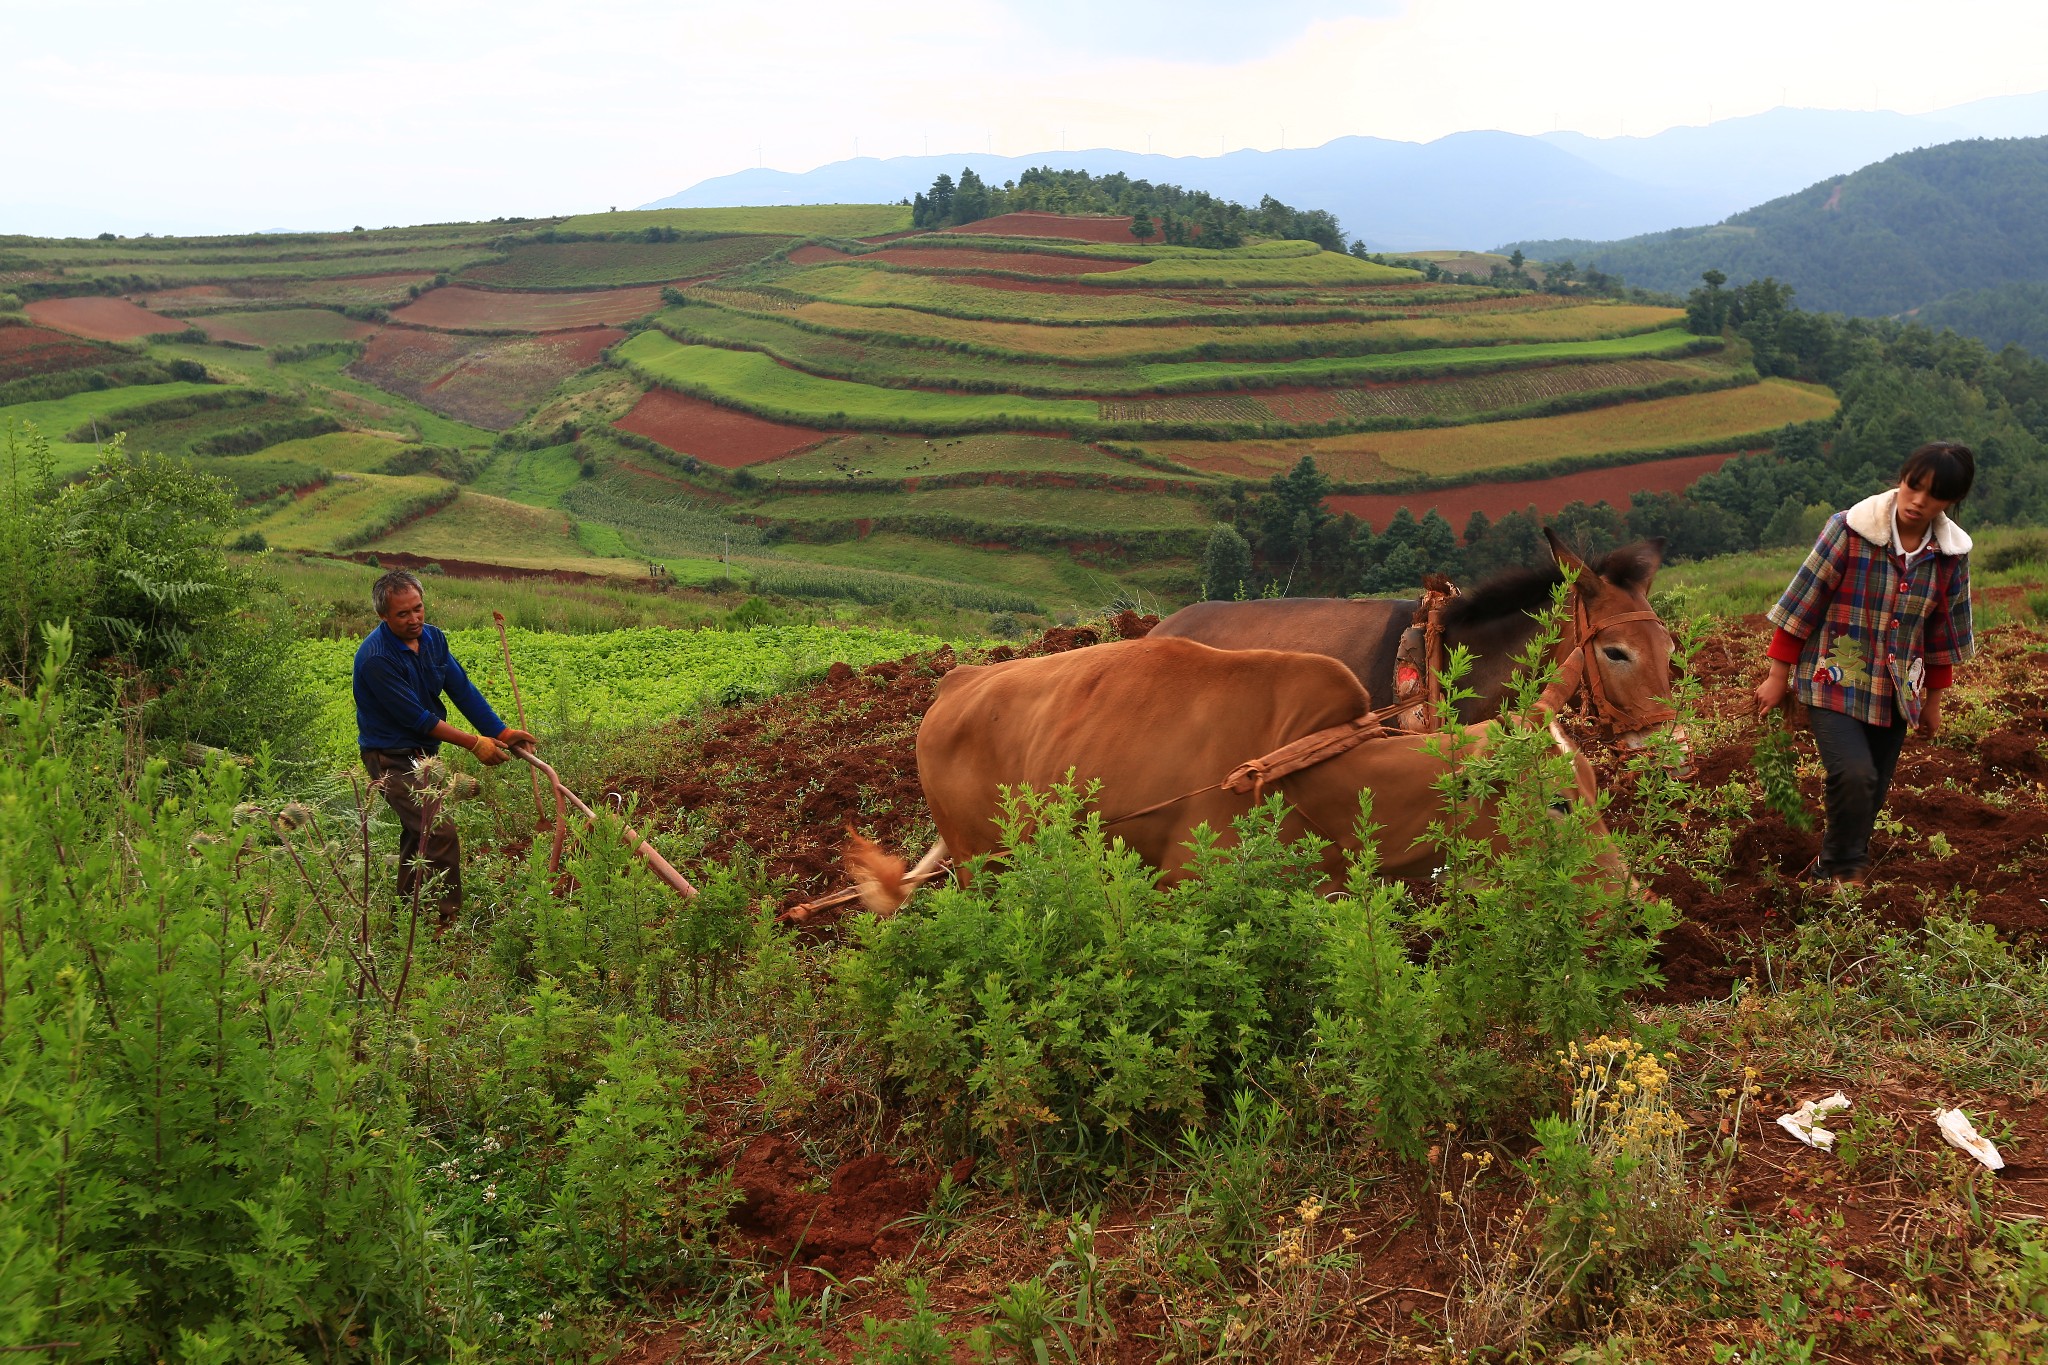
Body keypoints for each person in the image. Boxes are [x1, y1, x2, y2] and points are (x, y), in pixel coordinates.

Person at [1754, 441, 1976, 887]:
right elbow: (1802, 603)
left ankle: (1828, 867)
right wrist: (1779, 676)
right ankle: (1848, 871)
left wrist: (1933, 701)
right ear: (1903, 478)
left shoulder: (1949, 556)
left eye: (1934, 496)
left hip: (1895, 690)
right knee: (1852, 773)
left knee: (1872, 787)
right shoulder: (1849, 530)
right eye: (1914, 486)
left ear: (1951, 501)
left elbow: (1943, 635)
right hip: (1832, 675)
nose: (1918, 501)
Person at [353, 569, 537, 919]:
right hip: (390, 755)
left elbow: (461, 690)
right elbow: (418, 718)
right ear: (383, 616)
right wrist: (473, 744)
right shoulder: (377, 659)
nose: (414, 619)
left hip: (422, 754)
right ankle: (443, 920)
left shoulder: (433, 639)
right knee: (438, 831)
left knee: (417, 838)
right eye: (402, 614)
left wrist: (500, 732)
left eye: (418, 608)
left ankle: (408, 919)